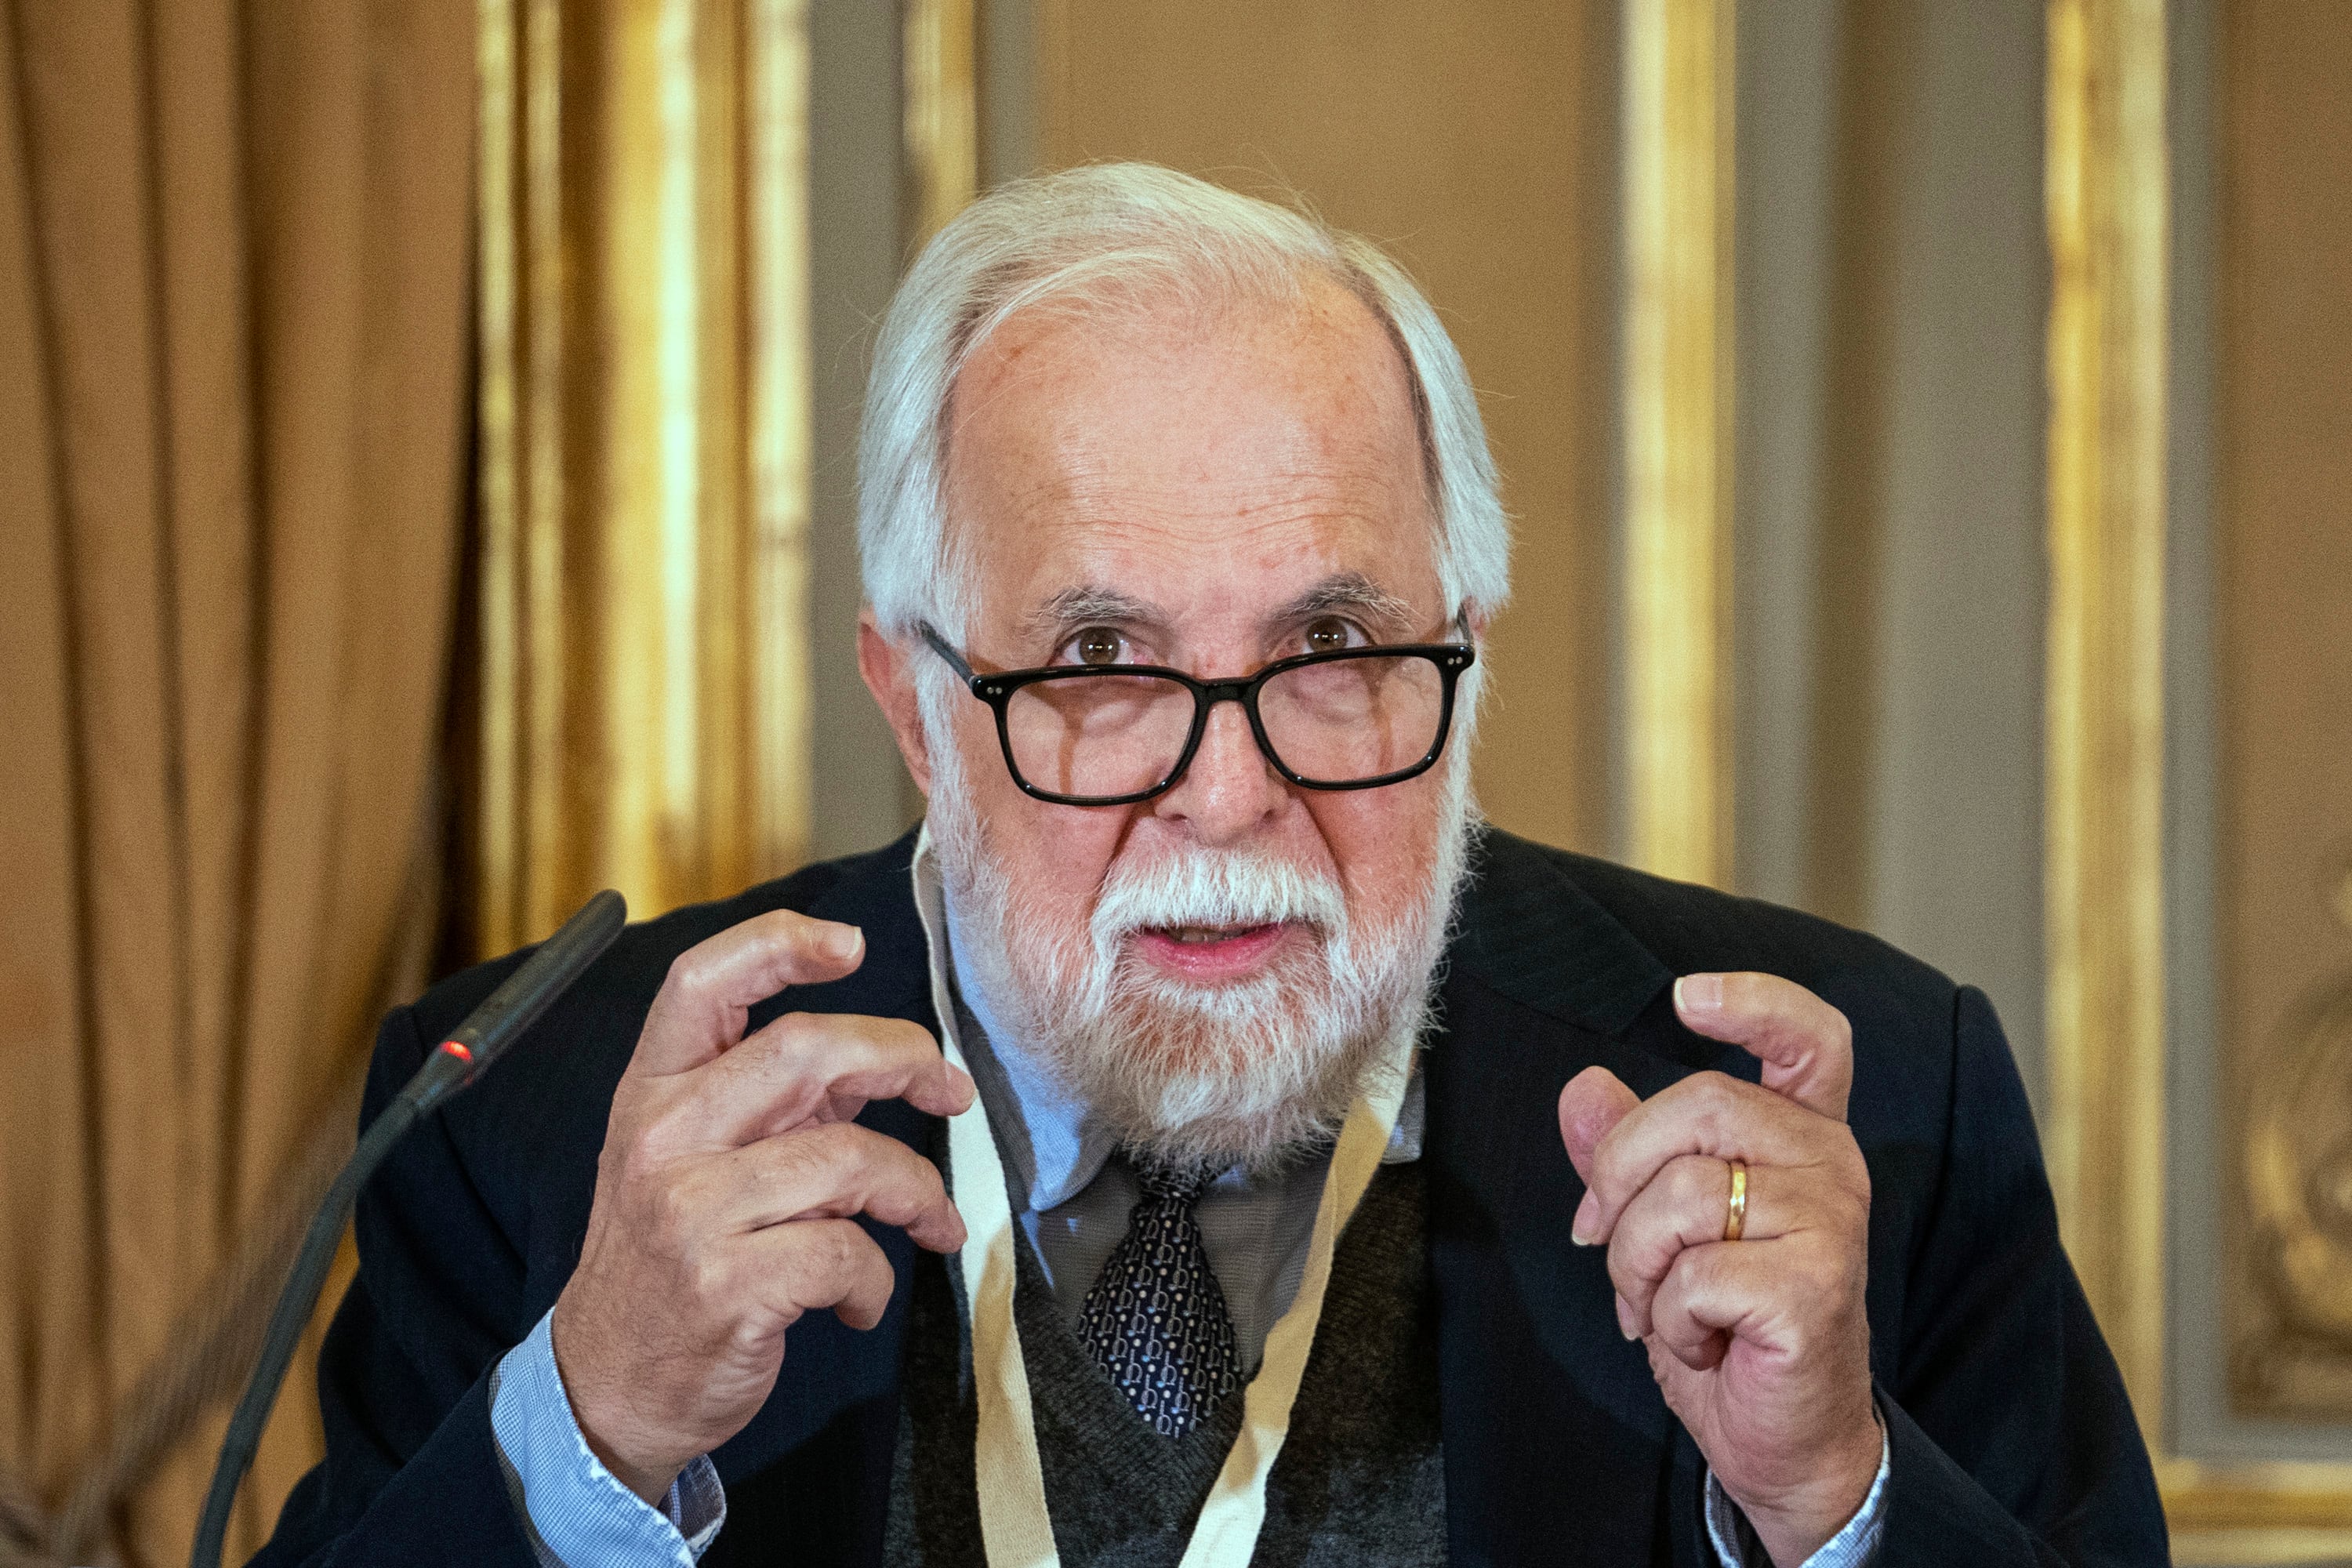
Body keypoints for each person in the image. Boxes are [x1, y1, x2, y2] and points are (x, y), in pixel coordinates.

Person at [252, 164, 2165, 1567]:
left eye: (1332, 652)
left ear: (1467, 643)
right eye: (1097, 664)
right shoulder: (540, 1126)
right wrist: (585, 1434)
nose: (1229, 797)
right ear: (914, 699)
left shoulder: (1857, 1119)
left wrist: (1835, 1496)